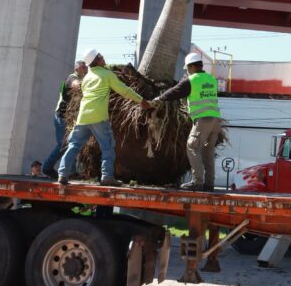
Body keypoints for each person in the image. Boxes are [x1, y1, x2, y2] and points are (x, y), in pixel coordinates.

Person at [57, 49, 143, 187]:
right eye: (101, 56)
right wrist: (141, 101)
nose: (104, 58)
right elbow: (124, 90)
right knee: (107, 147)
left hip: (83, 117)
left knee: (74, 145)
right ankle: (107, 177)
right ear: (96, 60)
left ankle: (62, 174)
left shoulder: (86, 78)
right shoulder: (107, 74)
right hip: (98, 117)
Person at [144, 50, 223, 191]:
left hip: (203, 119)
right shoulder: (211, 79)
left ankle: (197, 182)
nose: (187, 71)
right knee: (208, 152)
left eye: (187, 68)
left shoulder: (192, 80)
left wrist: (156, 100)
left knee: (192, 147)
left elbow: (174, 91)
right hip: (216, 120)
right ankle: (209, 183)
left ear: (192, 66)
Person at [41, 59, 88, 178]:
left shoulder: (79, 78)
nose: (86, 69)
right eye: (84, 67)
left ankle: (71, 171)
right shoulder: (71, 78)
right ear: (77, 69)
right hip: (61, 117)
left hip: (68, 118)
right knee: (64, 144)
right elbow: (77, 86)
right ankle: (47, 166)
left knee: (70, 143)